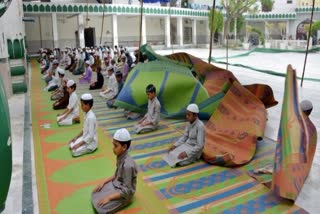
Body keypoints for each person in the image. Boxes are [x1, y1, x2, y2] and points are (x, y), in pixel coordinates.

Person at [91, 128, 138, 214]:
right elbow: (116, 175)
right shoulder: (120, 156)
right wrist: (104, 182)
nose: (113, 148)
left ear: (124, 147)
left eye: (115, 146)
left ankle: (125, 202)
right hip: (117, 185)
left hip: (125, 195)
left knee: (101, 209)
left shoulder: (128, 165)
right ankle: (109, 193)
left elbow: (126, 191)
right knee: (96, 193)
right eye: (113, 145)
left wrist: (109, 198)